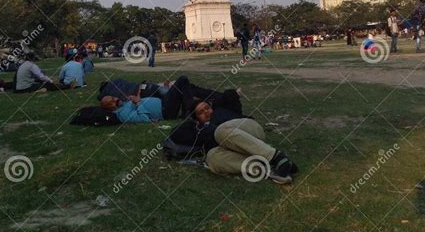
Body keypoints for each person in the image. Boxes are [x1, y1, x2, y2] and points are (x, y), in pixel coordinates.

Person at [170, 101, 297, 185]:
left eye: (207, 108)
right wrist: (193, 123)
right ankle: (266, 167)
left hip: (248, 129)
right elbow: (174, 133)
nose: (206, 112)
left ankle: (277, 156)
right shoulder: (198, 130)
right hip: (236, 147)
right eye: (201, 112)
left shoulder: (220, 112)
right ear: (196, 119)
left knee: (220, 131)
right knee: (212, 158)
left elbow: (230, 94)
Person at [99, 75, 242, 122]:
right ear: (109, 109)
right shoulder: (122, 114)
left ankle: (223, 99)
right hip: (165, 110)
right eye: (111, 102)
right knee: (182, 80)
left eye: (112, 97)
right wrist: (138, 103)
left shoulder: (124, 104)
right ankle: (190, 109)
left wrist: (136, 98)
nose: (114, 100)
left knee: (187, 86)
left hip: (163, 101)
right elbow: (145, 118)